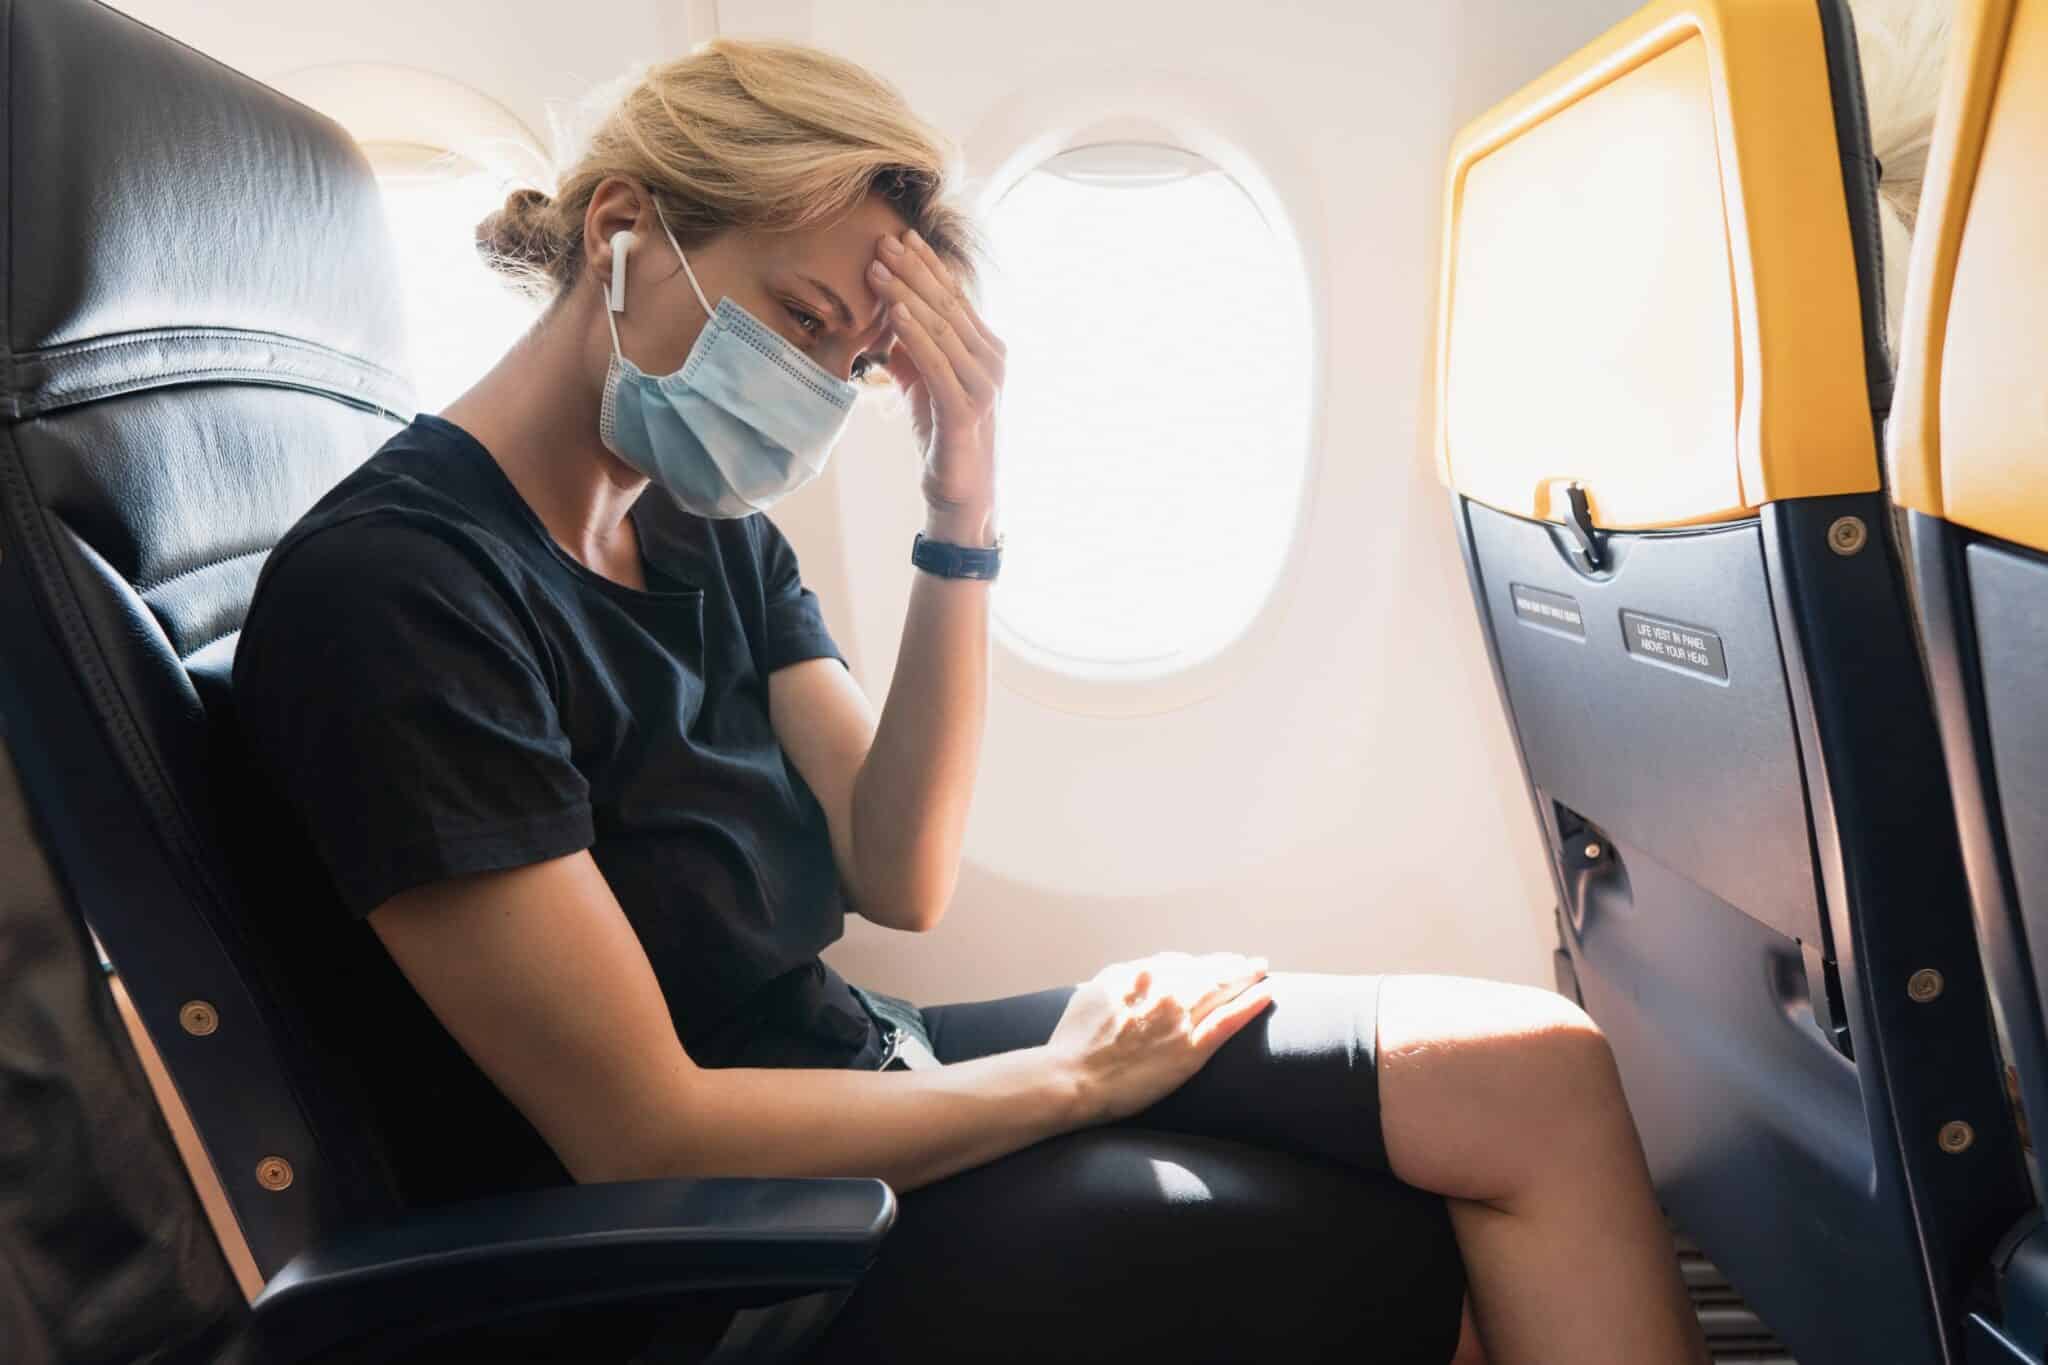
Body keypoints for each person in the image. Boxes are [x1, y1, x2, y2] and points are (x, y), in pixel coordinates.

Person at [230, 37, 1711, 1365]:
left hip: (863, 1070)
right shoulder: (402, 599)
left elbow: (900, 866)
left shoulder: (694, 527)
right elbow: (642, 1129)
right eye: (803, 317)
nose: (821, 386)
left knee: (1537, 1074)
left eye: (859, 362)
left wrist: (963, 497)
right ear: (622, 229)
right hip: (726, 1257)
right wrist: (1067, 1083)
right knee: (1419, 1244)